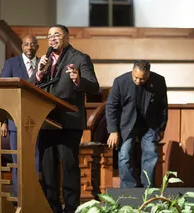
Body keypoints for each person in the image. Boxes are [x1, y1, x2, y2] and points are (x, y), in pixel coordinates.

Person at [29, 24, 99, 213]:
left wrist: (78, 79)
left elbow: (94, 87)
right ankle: (52, 209)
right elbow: (32, 87)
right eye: (49, 36)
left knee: (69, 168)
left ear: (67, 38)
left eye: (56, 35)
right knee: (48, 169)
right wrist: (40, 73)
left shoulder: (80, 58)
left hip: (69, 121)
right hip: (46, 120)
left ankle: (71, 209)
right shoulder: (42, 60)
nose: (52, 39)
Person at [105, 60, 168, 188]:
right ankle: (129, 188)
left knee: (151, 154)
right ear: (132, 71)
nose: (139, 81)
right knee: (124, 155)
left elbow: (163, 107)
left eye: (143, 79)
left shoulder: (159, 81)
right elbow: (111, 106)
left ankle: (148, 188)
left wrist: (161, 127)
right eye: (136, 78)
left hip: (150, 124)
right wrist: (113, 131)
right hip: (127, 123)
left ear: (149, 74)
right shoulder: (120, 82)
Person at [0, 35, 40, 198]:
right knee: (18, 158)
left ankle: (34, 193)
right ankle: (18, 195)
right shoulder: (11, 64)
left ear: (37, 47)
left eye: (32, 45)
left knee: (35, 158)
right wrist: (3, 121)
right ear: (21, 46)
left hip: (37, 120)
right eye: (26, 44)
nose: (29, 47)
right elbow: (3, 92)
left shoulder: (44, 64)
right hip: (14, 120)